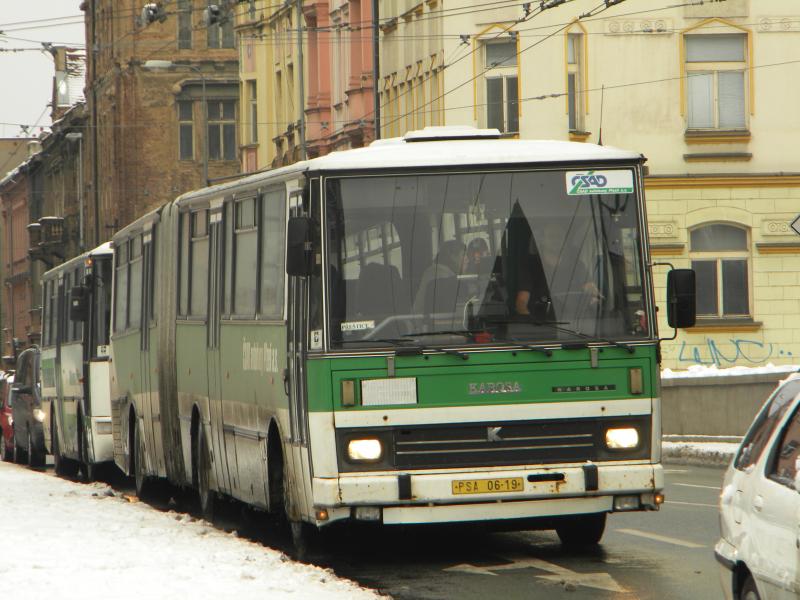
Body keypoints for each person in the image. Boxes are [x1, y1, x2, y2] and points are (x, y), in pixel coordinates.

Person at [413, 239, 466, 314]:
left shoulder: (437, 271)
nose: (467, 259)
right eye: (463, 255)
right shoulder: (441, 275)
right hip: (428, 321)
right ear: (453, 257)